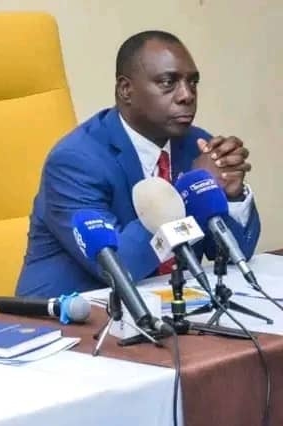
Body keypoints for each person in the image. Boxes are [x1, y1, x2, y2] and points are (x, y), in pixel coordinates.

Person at [16, 30, 260, 298]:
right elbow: (119, 267)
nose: (187, 95)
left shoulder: (195, 145)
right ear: (126, 90)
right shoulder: (75, 161)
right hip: (69, 313)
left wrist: (232, 195)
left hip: (170, 305)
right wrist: (188, 190)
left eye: (192, 82)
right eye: (168, 82)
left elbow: (234, 254)